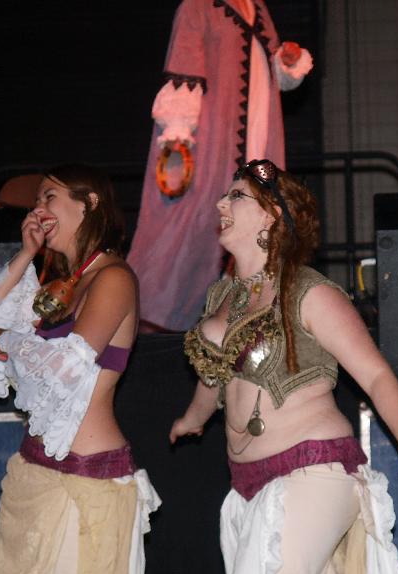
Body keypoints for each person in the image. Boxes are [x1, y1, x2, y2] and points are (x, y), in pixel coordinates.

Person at [170, 159, 398, 574]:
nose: (220, 204)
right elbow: (214, 380)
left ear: (271, 216)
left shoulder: (308, 291)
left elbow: (374, 375)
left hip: (311, 474)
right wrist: (193, 419)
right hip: (250, 486)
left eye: (236, 196)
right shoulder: (224, 295)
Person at [0, 164, 160, 574]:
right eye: (37, 200)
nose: (39, 209)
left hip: (86, 484)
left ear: (89, 202)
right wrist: (26, 254)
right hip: (39, 476)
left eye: (49, 196)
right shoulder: (65, 283)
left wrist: (7, 343)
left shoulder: (113, 278)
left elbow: (66, 365)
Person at [127, 0, 313, 332]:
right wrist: (179, 134)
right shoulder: (198, 6)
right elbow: (184, 70)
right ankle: (155, 326)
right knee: (192, 229)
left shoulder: (257, 7)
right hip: (210, 142)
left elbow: (273, 70)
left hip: (259, 137)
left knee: (259, 227)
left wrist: (286, 61)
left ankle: (244, 323)